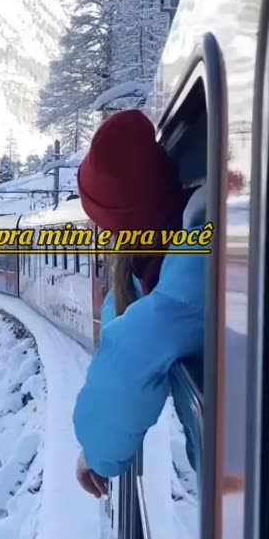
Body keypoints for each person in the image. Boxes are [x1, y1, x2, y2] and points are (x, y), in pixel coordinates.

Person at [72, 109, 206, 498]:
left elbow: (131, 354)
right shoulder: (172, 250)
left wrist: (97, 455)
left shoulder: (200, 260)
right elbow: (129, 304)